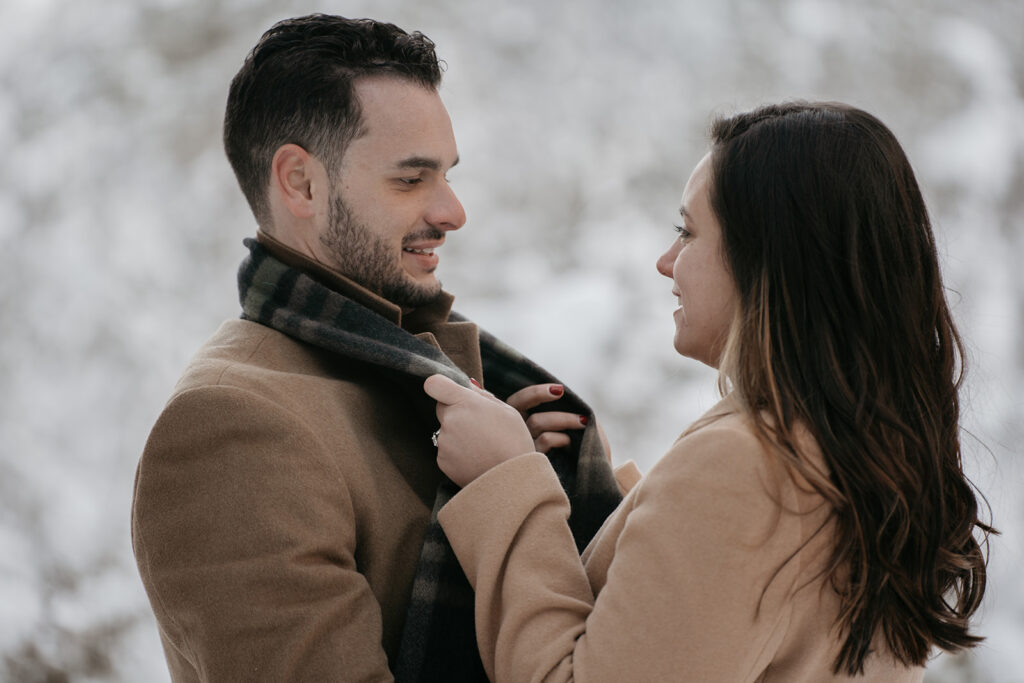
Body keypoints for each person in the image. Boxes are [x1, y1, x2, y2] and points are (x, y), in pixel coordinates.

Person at [424, 102, 993, 681]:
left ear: (770, 258)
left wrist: (507, 481)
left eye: (688, 232)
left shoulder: (748, 465)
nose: (665, 262)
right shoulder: (863, 453)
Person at [130, 14, 622, 682]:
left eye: (447, 175)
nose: (453, 211)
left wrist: (507, 483)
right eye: (411, 179)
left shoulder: (418, 378)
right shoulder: (230, 425)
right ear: (301, 183)